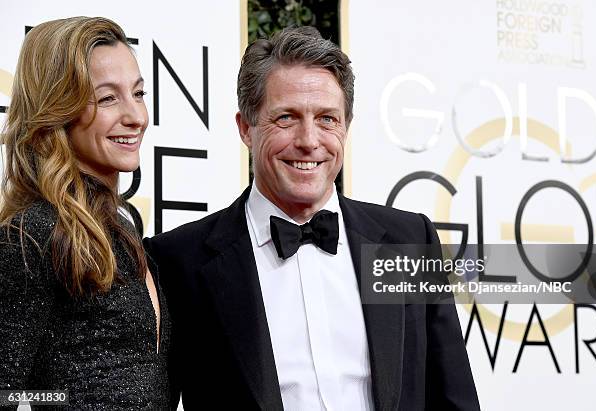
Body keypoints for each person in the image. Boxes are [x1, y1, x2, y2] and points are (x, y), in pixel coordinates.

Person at [145, 26, 479, 410]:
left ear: (346, 128)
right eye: (286, 118)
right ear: (245, 128)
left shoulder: (408, 240)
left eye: (327, 119)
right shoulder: (177, 261)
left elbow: (454, 398)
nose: (309, 140)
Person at [0, 17, 169, 409]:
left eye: (139, 93)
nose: (136, 117)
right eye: (108, 98)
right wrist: (67, 400)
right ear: (58, 109)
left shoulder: (121, 233)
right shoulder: (31, 236)